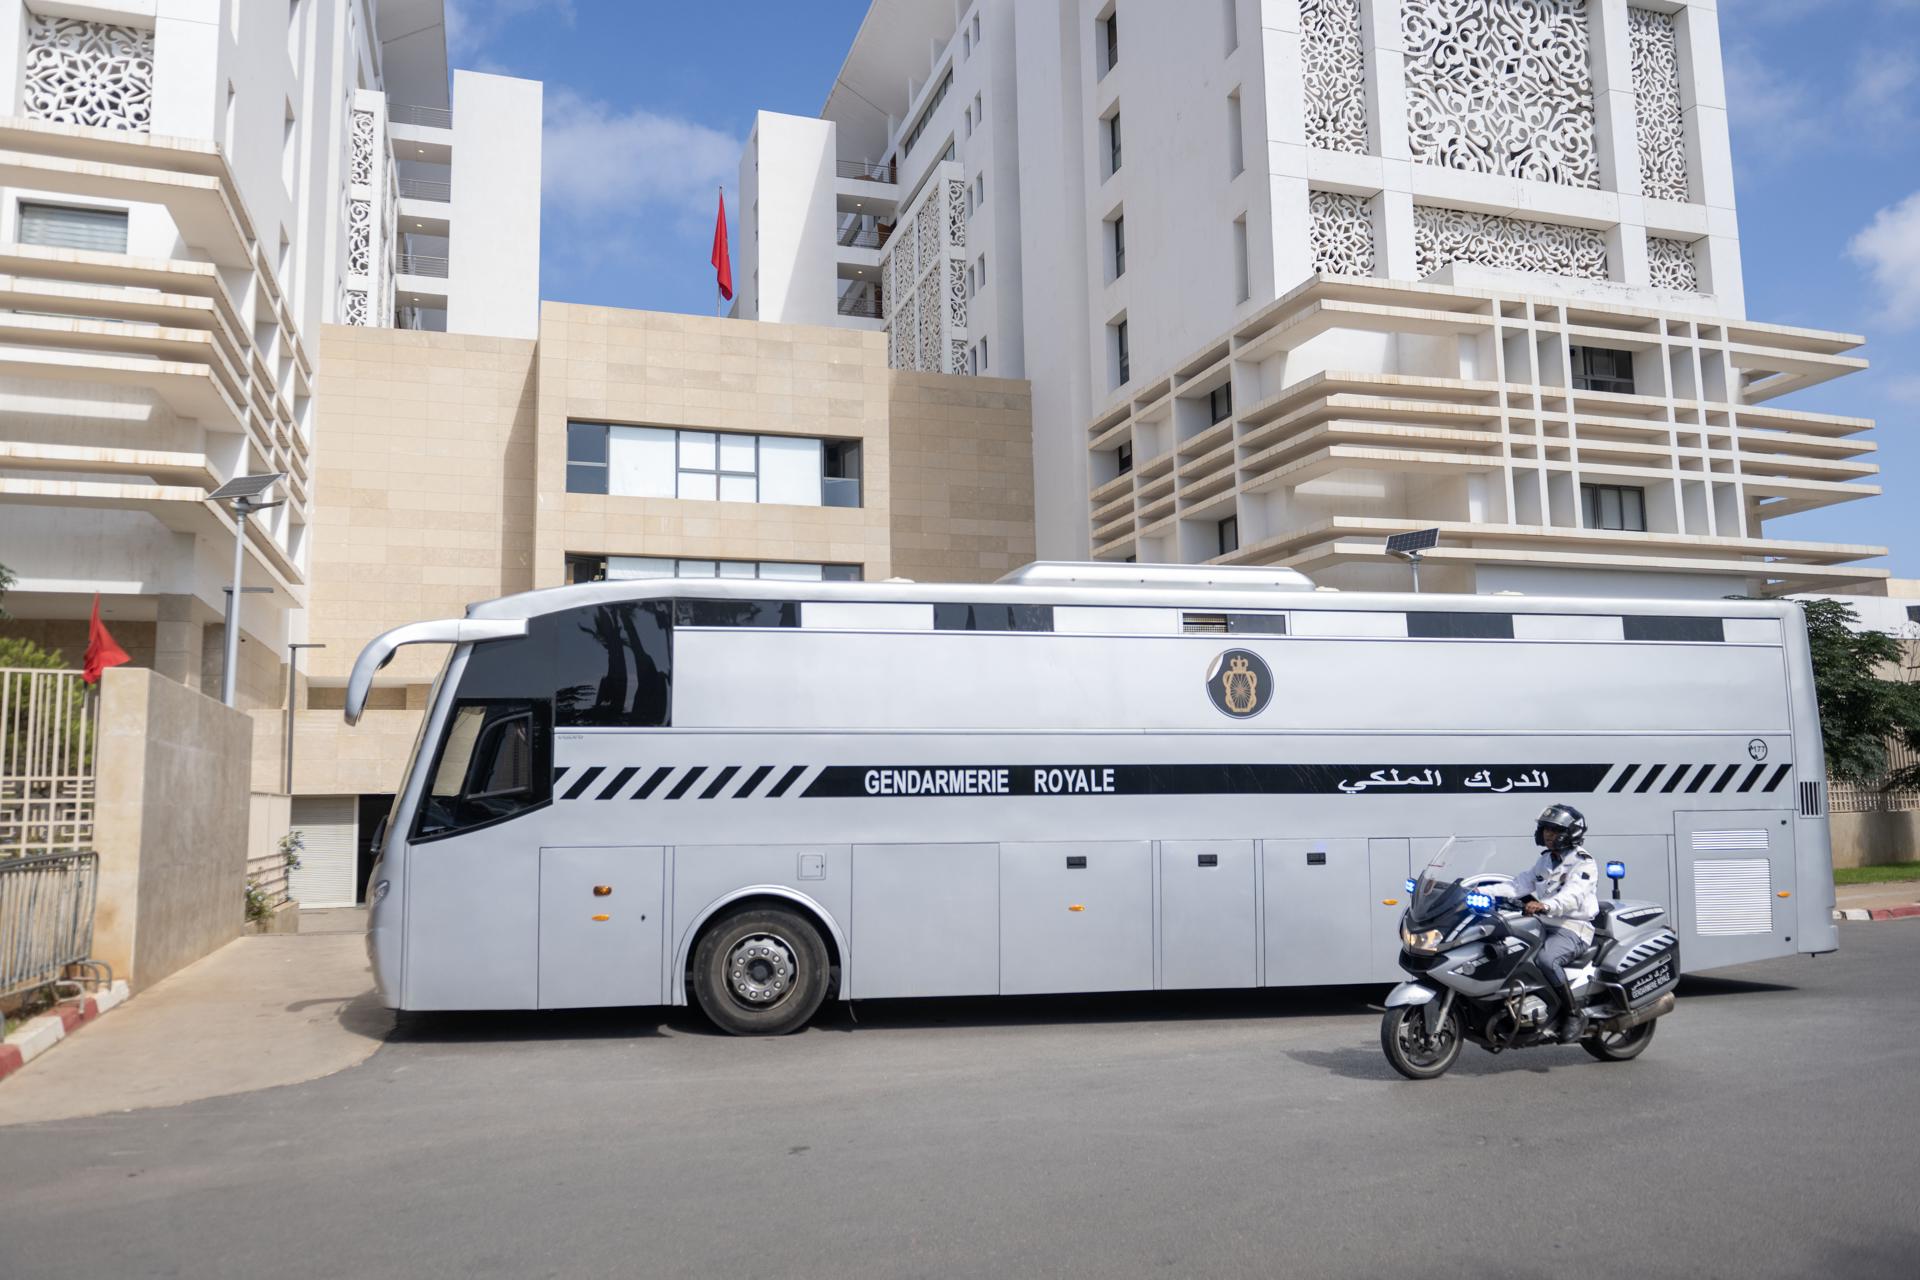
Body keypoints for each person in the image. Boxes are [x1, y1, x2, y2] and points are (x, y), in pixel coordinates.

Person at [1511, 803, 1600, 1043]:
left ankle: (1573, 1014)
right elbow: (1521, 882)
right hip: (1545, 924)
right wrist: (1484, 891)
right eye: (1546, 830)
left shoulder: (1583, 862)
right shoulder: (1545, 861)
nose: (1548, 835)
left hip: (1573, 927)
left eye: (1555, 830)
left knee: (1546, 960)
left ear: (1571, 833)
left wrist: (1545, 905)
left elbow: (1572, 896)